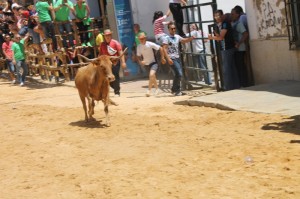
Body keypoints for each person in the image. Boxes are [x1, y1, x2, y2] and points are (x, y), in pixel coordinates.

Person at [208, 10, 239, 91]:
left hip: (227, 48)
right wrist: (216, 36)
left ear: (222, 16)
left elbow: (221, 38)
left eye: (218, 15)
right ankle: (235, 86)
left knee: (226, 69)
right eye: (215, 16)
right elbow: (220, 38)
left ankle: (228, 87)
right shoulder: (221, 24)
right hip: (227, 48)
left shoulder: (225, 23)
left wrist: (212, 37)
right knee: (231, 67)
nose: (217, 17)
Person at [162, 22, 194, 96]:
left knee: (178, 74)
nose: (173, 30)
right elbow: (164, 49)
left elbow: (183, 41)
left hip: (177, 57)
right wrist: (168, 59)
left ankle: (175, 89)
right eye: (172, 29)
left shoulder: (177, 36)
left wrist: (190, 39)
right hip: (171, 58)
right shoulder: (166, 38)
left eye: (174, 28)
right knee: (179, 73)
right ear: (169, 29)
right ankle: (176, 89)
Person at [136, 32, 166, 97]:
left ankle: (149, 90)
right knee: (152, 77)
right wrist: (141, 61)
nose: (141, 40)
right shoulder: (139, 47)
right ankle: (157, 89)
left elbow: (160, 48)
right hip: (146, 64)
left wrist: (162, 57)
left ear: (145, 38)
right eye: (140, 39)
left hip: (153, 62)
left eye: (143, 38)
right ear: (139, 39)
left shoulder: (149, 44)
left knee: (151, 75)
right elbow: (138, 56)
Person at [99, 29, 126, 97]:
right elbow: (101, 55)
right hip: (106, 64)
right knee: (107, 77)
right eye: (106, 35)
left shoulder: (115, 43)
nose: (107, 37)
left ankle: (117, 92)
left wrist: (123, 62)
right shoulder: (102, 44)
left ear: (111, 35)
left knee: (115, 76)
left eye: (108, 35)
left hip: (115, 62)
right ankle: (116, 87)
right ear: (104, 36)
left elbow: (120, 52)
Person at [231, 7, 249, 88]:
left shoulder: (239, 24)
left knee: (241, 67)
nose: (231, 15)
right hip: (237, 49)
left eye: (233, 14)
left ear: (237, 14)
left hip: (240, 49)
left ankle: (244, 84)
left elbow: (245, 34)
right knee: (238, 66)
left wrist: (239, 43)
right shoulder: (234, 23)